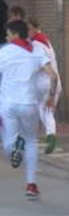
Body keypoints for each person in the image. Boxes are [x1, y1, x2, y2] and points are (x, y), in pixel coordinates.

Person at [0, 19, 58, 200]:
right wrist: (50, 95)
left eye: (8, 34)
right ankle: (31, 185)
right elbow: (53, 76)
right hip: (29, 105)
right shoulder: (37, 51)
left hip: (8, 104)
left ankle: (16, 144)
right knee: (31, 141)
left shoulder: (5, 52)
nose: (7, 38)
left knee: (9, 144)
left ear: (15, 34)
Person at [28, 18, 59, 155]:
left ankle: (49, 136)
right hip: (54, 83)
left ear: (34, 28)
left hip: (44, 82)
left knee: (42, 110)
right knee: (46, 111)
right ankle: (50, 135)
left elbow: (38, 65)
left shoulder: (36, 44)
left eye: (28, 29)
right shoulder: (45, 40)